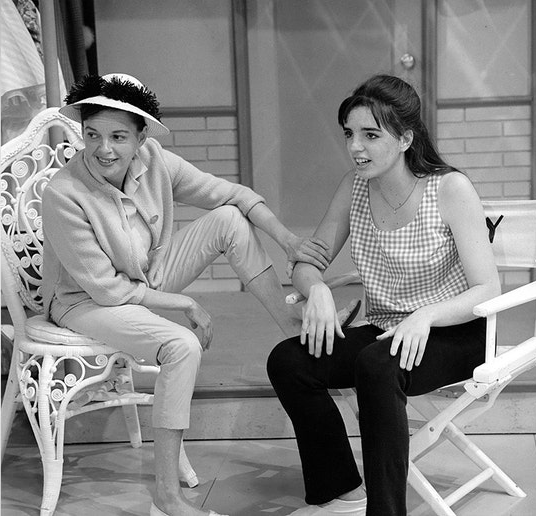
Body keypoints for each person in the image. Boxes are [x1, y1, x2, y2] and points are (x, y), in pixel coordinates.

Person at [39, 73, 357, 516]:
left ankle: (293, 328)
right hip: (85, 302)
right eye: (92, 135)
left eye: (118, 136)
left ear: (141, 137)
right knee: (181, 344)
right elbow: (107, 289)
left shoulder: (155, 161)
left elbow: (236, 195)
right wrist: (185, 303)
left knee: (229, 217)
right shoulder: (63, 195)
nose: (103, 149)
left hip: (145, 278)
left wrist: (288, 241)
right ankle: (167, 497)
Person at [266, 74, 501, 516]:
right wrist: (315, 289)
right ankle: (339, 492)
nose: (356, 147)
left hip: (457, 331)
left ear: (406, 138)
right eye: (350, 134)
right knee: (289, 361)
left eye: (371, 135)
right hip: (386, 328)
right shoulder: (353, 187)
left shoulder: (450, 189)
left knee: (376, 365)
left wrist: (426, 316)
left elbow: (487, 288)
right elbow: (306, 261)